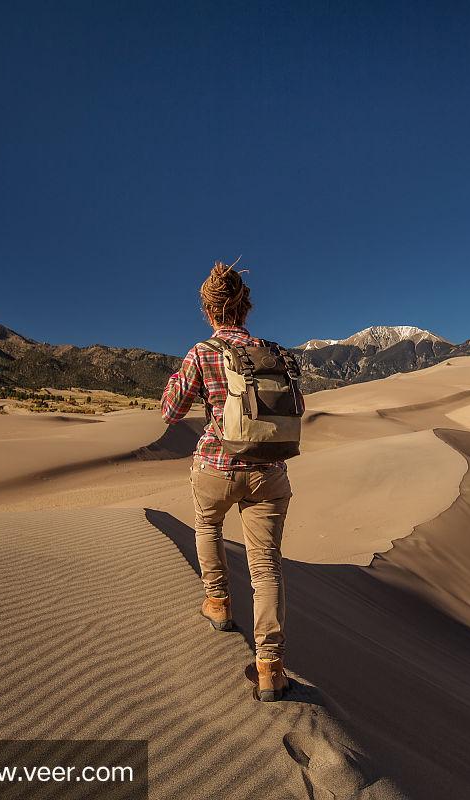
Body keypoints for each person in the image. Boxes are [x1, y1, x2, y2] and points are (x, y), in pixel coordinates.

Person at [160, 260, 303, 702]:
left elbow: (171, 412)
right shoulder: (275, 352)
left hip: (217, 467)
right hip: (269, 470)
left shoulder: (202, 352)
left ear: (208, 310)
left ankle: (218, 603)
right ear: (247, 307)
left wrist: (183, 384)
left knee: (207, 526)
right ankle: (270, 666)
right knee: (266, 566)